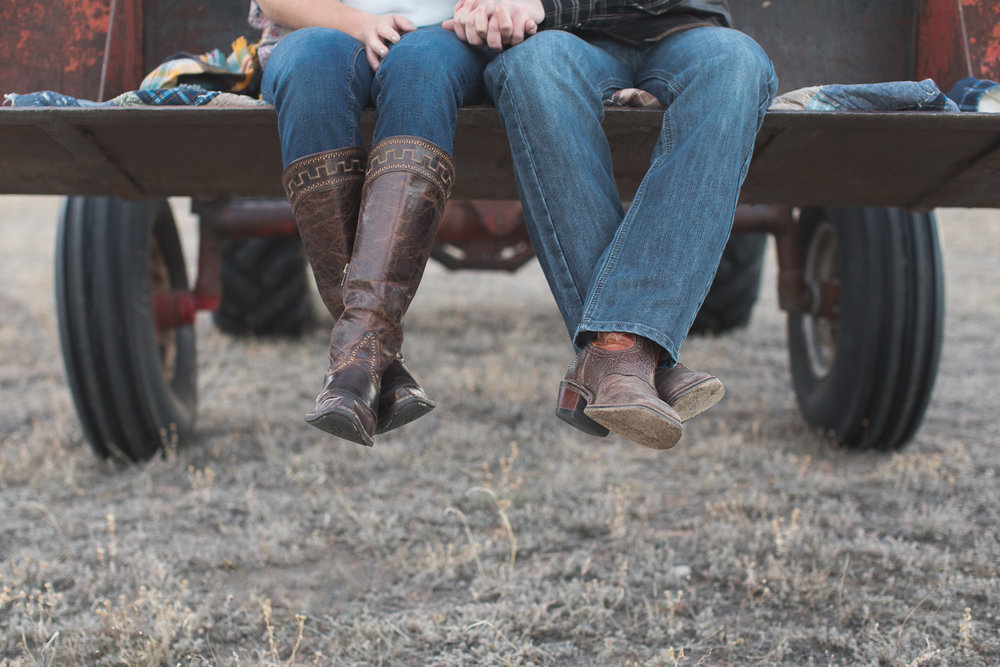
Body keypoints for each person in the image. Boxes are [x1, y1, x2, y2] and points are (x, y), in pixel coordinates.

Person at [446, 0, 777, 450]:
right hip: (563, 40)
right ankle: (638, 358)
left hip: (684, 32)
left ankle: (613, 355)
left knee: (739, 63)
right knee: (531, 68)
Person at [253, 0, 491, 446]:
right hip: (326, 29)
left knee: (419, 63)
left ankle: (355, 363)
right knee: (306, 63)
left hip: (450, 36)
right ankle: (374, 357)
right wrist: (362, 24)